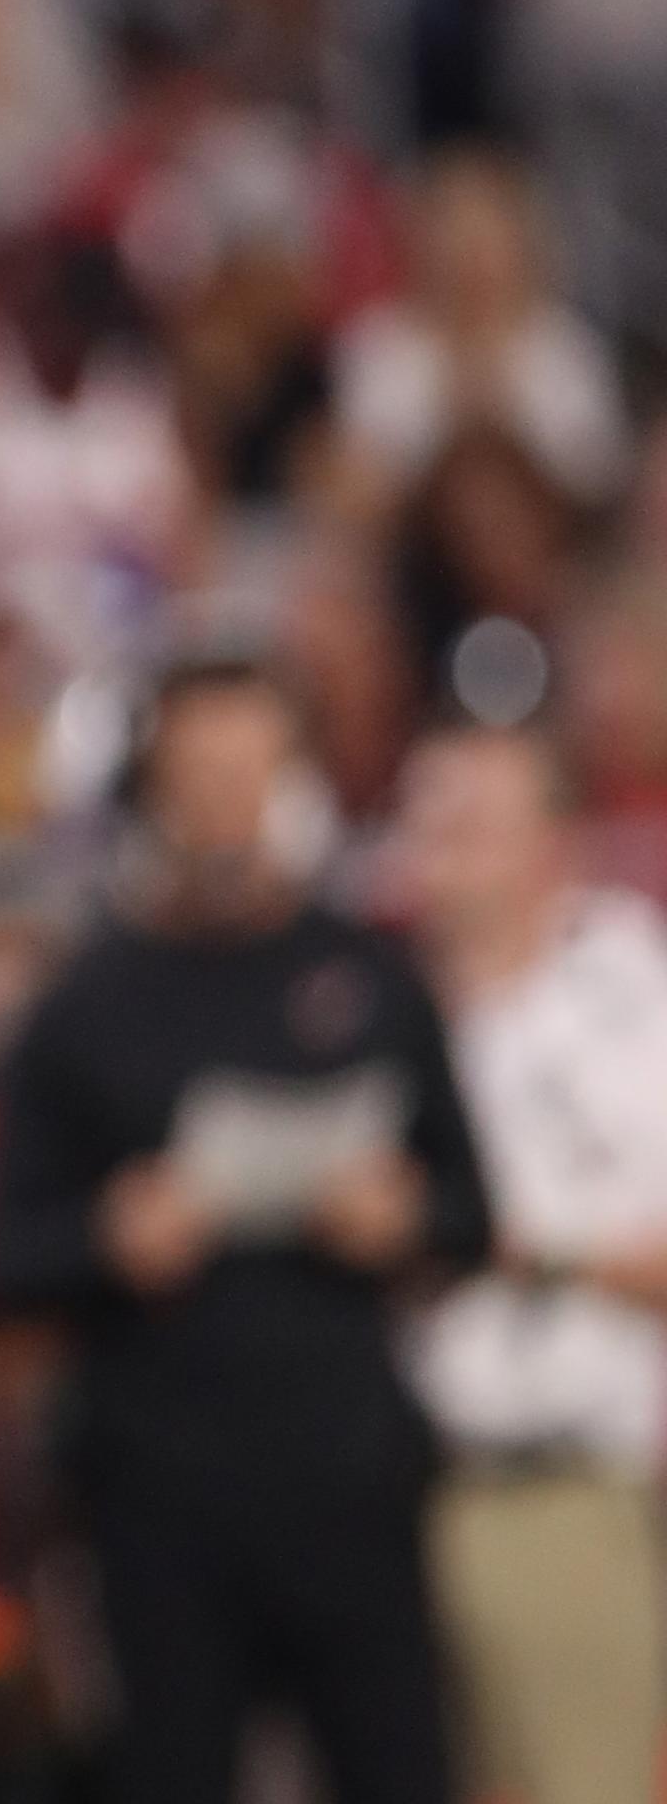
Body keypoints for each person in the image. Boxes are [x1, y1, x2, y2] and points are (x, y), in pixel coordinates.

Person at [0, 655, 490, 1804]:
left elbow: (468, 1208)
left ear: (298, 780)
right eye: (197, 771)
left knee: (401, 1766)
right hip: (158, 1497)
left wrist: (403, 1216)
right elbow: (3, 1256)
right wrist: (108, 1237)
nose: (225, 798)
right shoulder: (86, 1003)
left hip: (351, 1478)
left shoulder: (371, 972)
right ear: (150, 790)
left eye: (250, 768)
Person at [394, 725, 667, 1804]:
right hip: (381, 1479)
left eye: (474, 822)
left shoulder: (632, 997)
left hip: (558, 1480)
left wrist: (512, 1245)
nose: (439, 846)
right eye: (429, 818)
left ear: (555, 841)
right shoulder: (370, 1000)